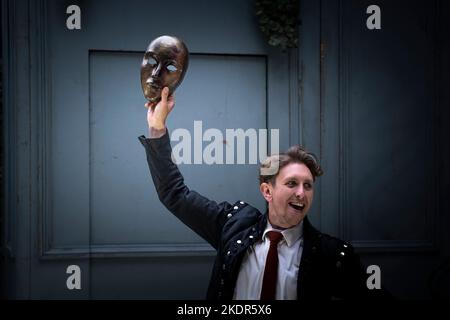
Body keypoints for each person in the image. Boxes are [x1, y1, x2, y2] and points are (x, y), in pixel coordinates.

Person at [139, 87, 387, 301]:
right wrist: (157, 128)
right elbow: (175, 194)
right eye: (292, 183)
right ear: (267, 191)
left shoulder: (331, 254)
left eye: (308, 185)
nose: (301, 193)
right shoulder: (232, 225)